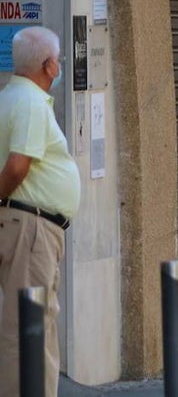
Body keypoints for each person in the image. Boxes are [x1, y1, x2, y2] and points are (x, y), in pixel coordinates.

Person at [0, 27, 80, 397]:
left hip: (29, 226)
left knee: (35, 324)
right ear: (49, 65)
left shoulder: (10, 97)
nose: (60, 65)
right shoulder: (31, 103)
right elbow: (18, 166)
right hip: (31, 228)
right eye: (59, 59)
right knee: (28, 329)